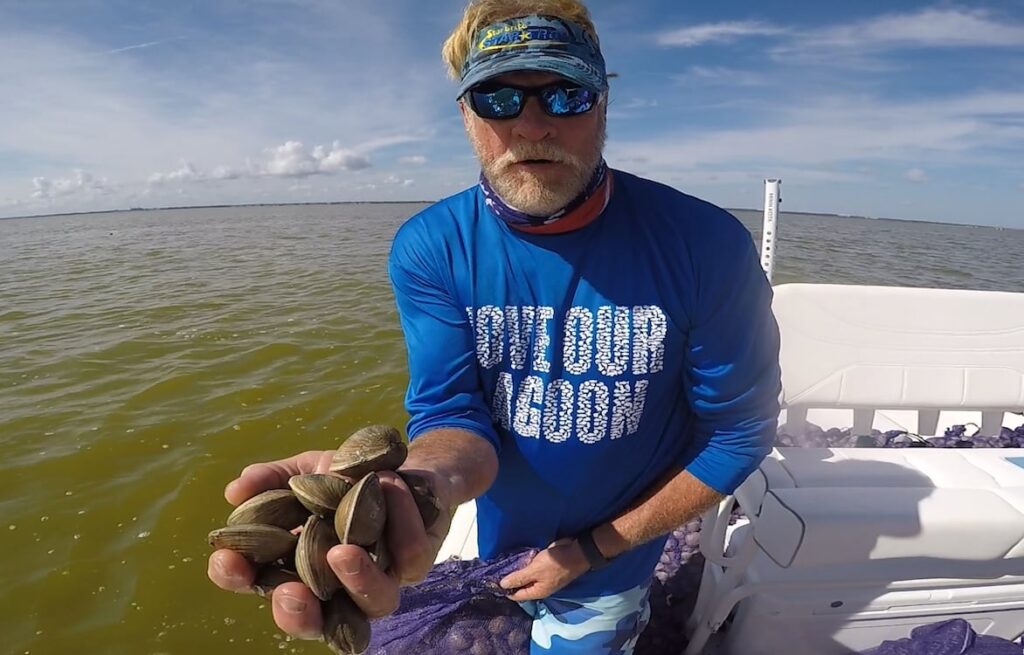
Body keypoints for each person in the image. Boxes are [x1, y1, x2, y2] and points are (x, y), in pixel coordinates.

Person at [207, 1, 782, 653]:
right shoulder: (432, 247)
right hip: (498, 546)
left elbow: (738, 433)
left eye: (565, 95)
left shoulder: (705, 246)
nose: (532, 125)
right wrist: (420, 486)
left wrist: (589, 550)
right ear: (465, 115)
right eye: (497, 97)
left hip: (612, 566)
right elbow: (453, 411)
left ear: (602, 106)